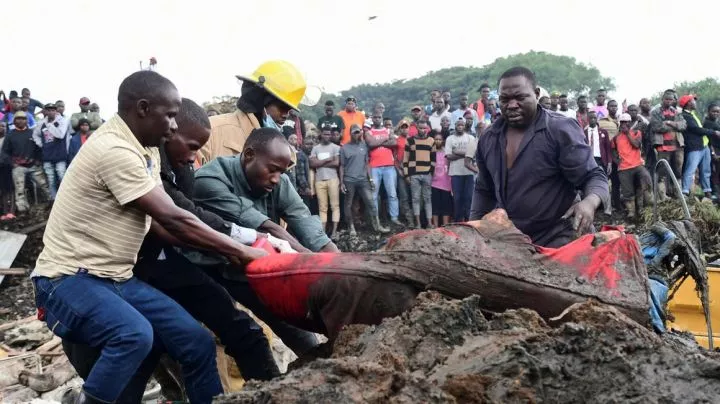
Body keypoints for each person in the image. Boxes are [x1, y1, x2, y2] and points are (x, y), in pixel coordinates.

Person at [31, 71, 268, 404]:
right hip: (67, 278)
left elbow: (161, 223)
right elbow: (173, 217)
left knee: (195, 342)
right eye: (169, 115)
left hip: (118, 278)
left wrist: (221, 248)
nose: (174, 125)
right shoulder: (114, 150)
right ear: (142, 108)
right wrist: (242, 252)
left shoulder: (147, 150)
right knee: (133, 335)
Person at [191, 128, 340, 357]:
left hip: (251, 265)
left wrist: (339, 262)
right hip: (208, 268)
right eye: (272, 170)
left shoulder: (277, 178)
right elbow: (265, 227)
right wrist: (311, 261)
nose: (276, 179)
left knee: (295, 327)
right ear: (249, 155)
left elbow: (302, 218)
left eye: (282, 172)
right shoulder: (208, 180)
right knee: (231, 336)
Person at [471, 66, 609, 247]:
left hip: (560, 235)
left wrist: (590, 202)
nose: (512, 105)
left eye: (520, 97)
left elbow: (593, 176)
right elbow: (484, 189)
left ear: (536, 94)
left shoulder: (560, 129)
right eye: (505, 99)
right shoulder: (489, 138)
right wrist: (473, 229)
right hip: (511, 238)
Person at [200, 60, 307, 164]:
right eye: (282, 107)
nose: (286, 115)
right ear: (260, 100)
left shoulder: (279, 146)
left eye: (289, 110)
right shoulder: (211, 130)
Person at [340, 124, 389, 235]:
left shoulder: (364, 146)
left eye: (359, 132)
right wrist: (341, 182)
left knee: (371, 202)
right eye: (355, 132)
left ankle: (377, 226)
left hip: (363, 180)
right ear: (351, 134)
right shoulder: (344, 148)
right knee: (349, 204)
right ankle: (351, 227)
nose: (357, 134)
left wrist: (370, 179)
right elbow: (341, 166)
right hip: (349, 180)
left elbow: (367, 164)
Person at [1, 111, 49, 211]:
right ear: (14, 121)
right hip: (18, 167)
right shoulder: (10, 135)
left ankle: (52, 203)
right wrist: (12, 163)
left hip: (34, 165)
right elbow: (5, 152)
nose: (21, 120)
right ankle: (22, 210)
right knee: (19, 190)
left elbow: (39, 148)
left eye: (23, 118)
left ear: (27, 120)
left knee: (45, 186)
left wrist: (38, 160)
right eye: (18, 118)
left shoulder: (32, 132)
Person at [679, 95, 719, 200]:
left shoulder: (692, 115)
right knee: (690, 170)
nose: (695, 103)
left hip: (704, 146)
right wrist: (713, 132)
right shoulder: (685, 116)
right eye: (693, 101)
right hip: (694, 147)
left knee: (706, 170)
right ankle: (685, 192)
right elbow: (696, 129)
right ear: (688, 103)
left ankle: (707, 191)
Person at [612, 113, 652, 218]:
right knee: (627, 191)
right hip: (624, 168)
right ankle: (631, 212)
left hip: (637, 165)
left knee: (646, 180)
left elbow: (636, 145)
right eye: (622, 122)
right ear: (619, 124)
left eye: (627, 122)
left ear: (630, 123)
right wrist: (617, 161)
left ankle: (646, 208)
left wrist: (627, 133)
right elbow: (612, 150)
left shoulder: (636, 132)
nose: (625, 124)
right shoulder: (616, 138)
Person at [649, 90, 687, 200]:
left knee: (678, 171)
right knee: (662, 171)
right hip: (662, 147)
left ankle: (678, 193)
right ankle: (663, 195)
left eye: (671, 99)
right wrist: (676, 126)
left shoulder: (676, 112)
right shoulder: (656, 112)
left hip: (678, 146)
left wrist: (670, 123)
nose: (669, 101)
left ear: (674, 100)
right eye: (667, 99)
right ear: (662, 100)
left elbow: (683, 125)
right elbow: (656, 127)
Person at [364, 113, 400, 226]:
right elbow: (370, 144)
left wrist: (377, 142)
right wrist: (385, 140)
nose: (377, 119)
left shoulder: (389, 130)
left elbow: (394, 142)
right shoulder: (369, 132)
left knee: (392, 194)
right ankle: (375, 219)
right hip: (374, 167)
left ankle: (394, 218)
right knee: (374, 195)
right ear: (372, 119)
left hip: (389, 166)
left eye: (379, 117)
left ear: (382, 119)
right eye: (375, 117)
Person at [32, 103, 70, 200]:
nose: (50, 112)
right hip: (47, 155)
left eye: (53, 110)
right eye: (48, 110)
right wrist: (41, 144)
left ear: (56, 111)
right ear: (45, 111)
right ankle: (54, 200)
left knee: (62, 177)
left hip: (60, 154)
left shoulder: (62, 121)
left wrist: (49, 125)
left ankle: (65, 199)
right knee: (50, 179)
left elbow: (60, 135)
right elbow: (35, 135)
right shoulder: (41, 123)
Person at [403, 119, 435, 229]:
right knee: (415, 198)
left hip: (427, 174)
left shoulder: (431, 140)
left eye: (424, 128)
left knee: (428, 198)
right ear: (416, 128)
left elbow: (433, 159)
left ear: (427, 128)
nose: (422, 130)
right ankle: (418, 224)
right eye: (420, 128)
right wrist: (407, 174)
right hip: (414, 174)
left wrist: (431, 172)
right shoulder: (410, 140)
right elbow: (405, 159)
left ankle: (430, 223)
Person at [310, 128, 341, 239]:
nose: (327, 136)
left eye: (329, 134)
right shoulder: (315, 148)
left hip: (333, 179)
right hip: (319, 180)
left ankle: (334, 232)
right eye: (325, 134)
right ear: (321, 135)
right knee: (322, 207)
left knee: (335, 206)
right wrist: (328, 159)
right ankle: (323, 232)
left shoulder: (335, 147)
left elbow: (337, 163)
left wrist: (320, 163)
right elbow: (312, 164)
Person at [445, 119, 475, 222]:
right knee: (457, 198)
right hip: (455, 173)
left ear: (465, 126)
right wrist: (466, 154)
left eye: (462, 125)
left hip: (469, 173)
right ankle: (458, 221)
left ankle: (468, 221)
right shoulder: (450, 139)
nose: (460, 127)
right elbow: (448, 156)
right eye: (458, 125)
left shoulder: (471, 138)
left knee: (468, 198)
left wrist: (456, 152)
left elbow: (474, 154)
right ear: (455, 126)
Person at [598, 99, 621, 209]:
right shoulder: (602, 121)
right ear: (607, 108)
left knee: (617, 181)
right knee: (604, 180)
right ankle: (604, 205)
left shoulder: (622, 120)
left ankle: (617, 204)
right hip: (607, 154)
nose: (614, 108)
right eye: (611, 106)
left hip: (619, 155)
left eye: (616, 106)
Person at [394, 120, 415, 225]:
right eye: (402, 127)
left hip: (412, 171)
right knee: (404, 196)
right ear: (400, 129)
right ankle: (409, 219)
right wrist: (398, 170)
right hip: (401, 170)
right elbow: (394, 157)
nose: (404, 129)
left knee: (414, 196)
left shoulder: (413, 140)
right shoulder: (396, 140)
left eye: (406, 127)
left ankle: (417, 218)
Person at [431, 133, 453, 227]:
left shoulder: (447, 153)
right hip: (434, 183)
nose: (438, 141)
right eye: (436, 139)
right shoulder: (431, 152)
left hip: (446, 183)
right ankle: (435, 226)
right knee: (435, 205)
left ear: (443, 141)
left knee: (446, 206)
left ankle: (445, 226)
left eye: (440, 139)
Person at [703, 103, 720, 197]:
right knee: (715, 173)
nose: (716, 113)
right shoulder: (707, 123)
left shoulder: (715, 123)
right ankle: (715, 193)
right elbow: (708, 140)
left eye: (718, 112)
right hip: (713, 151)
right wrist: (713, 153)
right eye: (713, 111)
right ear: (708, 112)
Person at [0, 122, 15, 220]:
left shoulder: (9, 139)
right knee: (3, 190)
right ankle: (4, 212)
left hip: (8, 166)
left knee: (11, 189)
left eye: (3, 126)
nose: (1, 128)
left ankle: (12, 211)